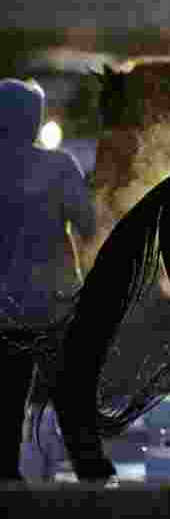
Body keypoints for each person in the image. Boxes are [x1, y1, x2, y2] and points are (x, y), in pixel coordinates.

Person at [0, 78, 96, 481]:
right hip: (56, 302)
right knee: (71, 392)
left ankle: (6, 472)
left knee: (7, 395)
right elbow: (88, 226)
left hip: (5, 307)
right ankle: (90, 471)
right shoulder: (58, 166)